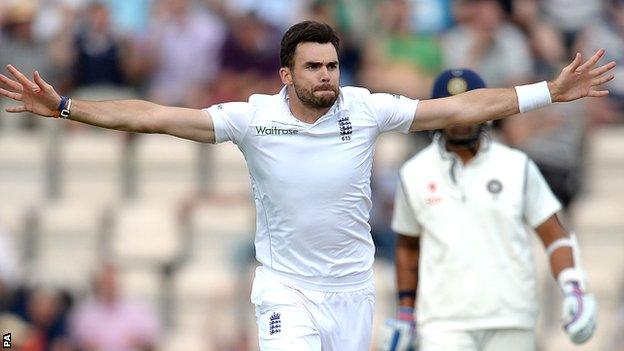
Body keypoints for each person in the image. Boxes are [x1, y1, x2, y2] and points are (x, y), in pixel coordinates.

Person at [0, 20, 615, 351]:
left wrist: (548, 92)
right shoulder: (253, 117)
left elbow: (457, 110)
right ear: (286, 74)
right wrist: (65, 107)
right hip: (284, 288)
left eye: (332, 65)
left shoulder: (365, 109)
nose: (327, 76)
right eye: (314, 67)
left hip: (350, 291)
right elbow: (155, 116)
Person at [382, 69, 597, 351]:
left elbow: (554, 234)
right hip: (442, 322)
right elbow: (408, 246)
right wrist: (406, 312)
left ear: (488, 113)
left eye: (469, 110)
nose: (461, 120)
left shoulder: (516, 166)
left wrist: (573, 286)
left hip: (511, 317)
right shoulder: (414, 173)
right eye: (452, 111)